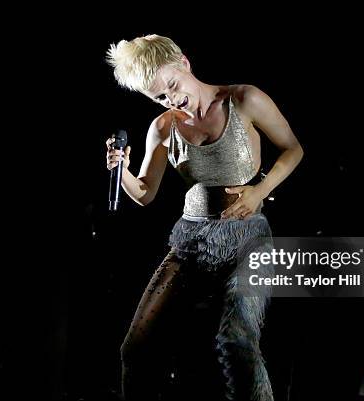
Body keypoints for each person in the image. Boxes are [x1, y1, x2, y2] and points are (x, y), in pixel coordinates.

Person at [105, 34, 303, 401]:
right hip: (191, 240)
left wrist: (259, 191)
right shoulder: (163, 128)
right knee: (134, 349)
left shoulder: (244, 99)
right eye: (159, 97)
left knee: (236, 339)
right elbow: (146, 194)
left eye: (173, 86)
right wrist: (122, 171)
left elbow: (293, 149)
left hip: (248, 238)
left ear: (184, 62)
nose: (171, 99)